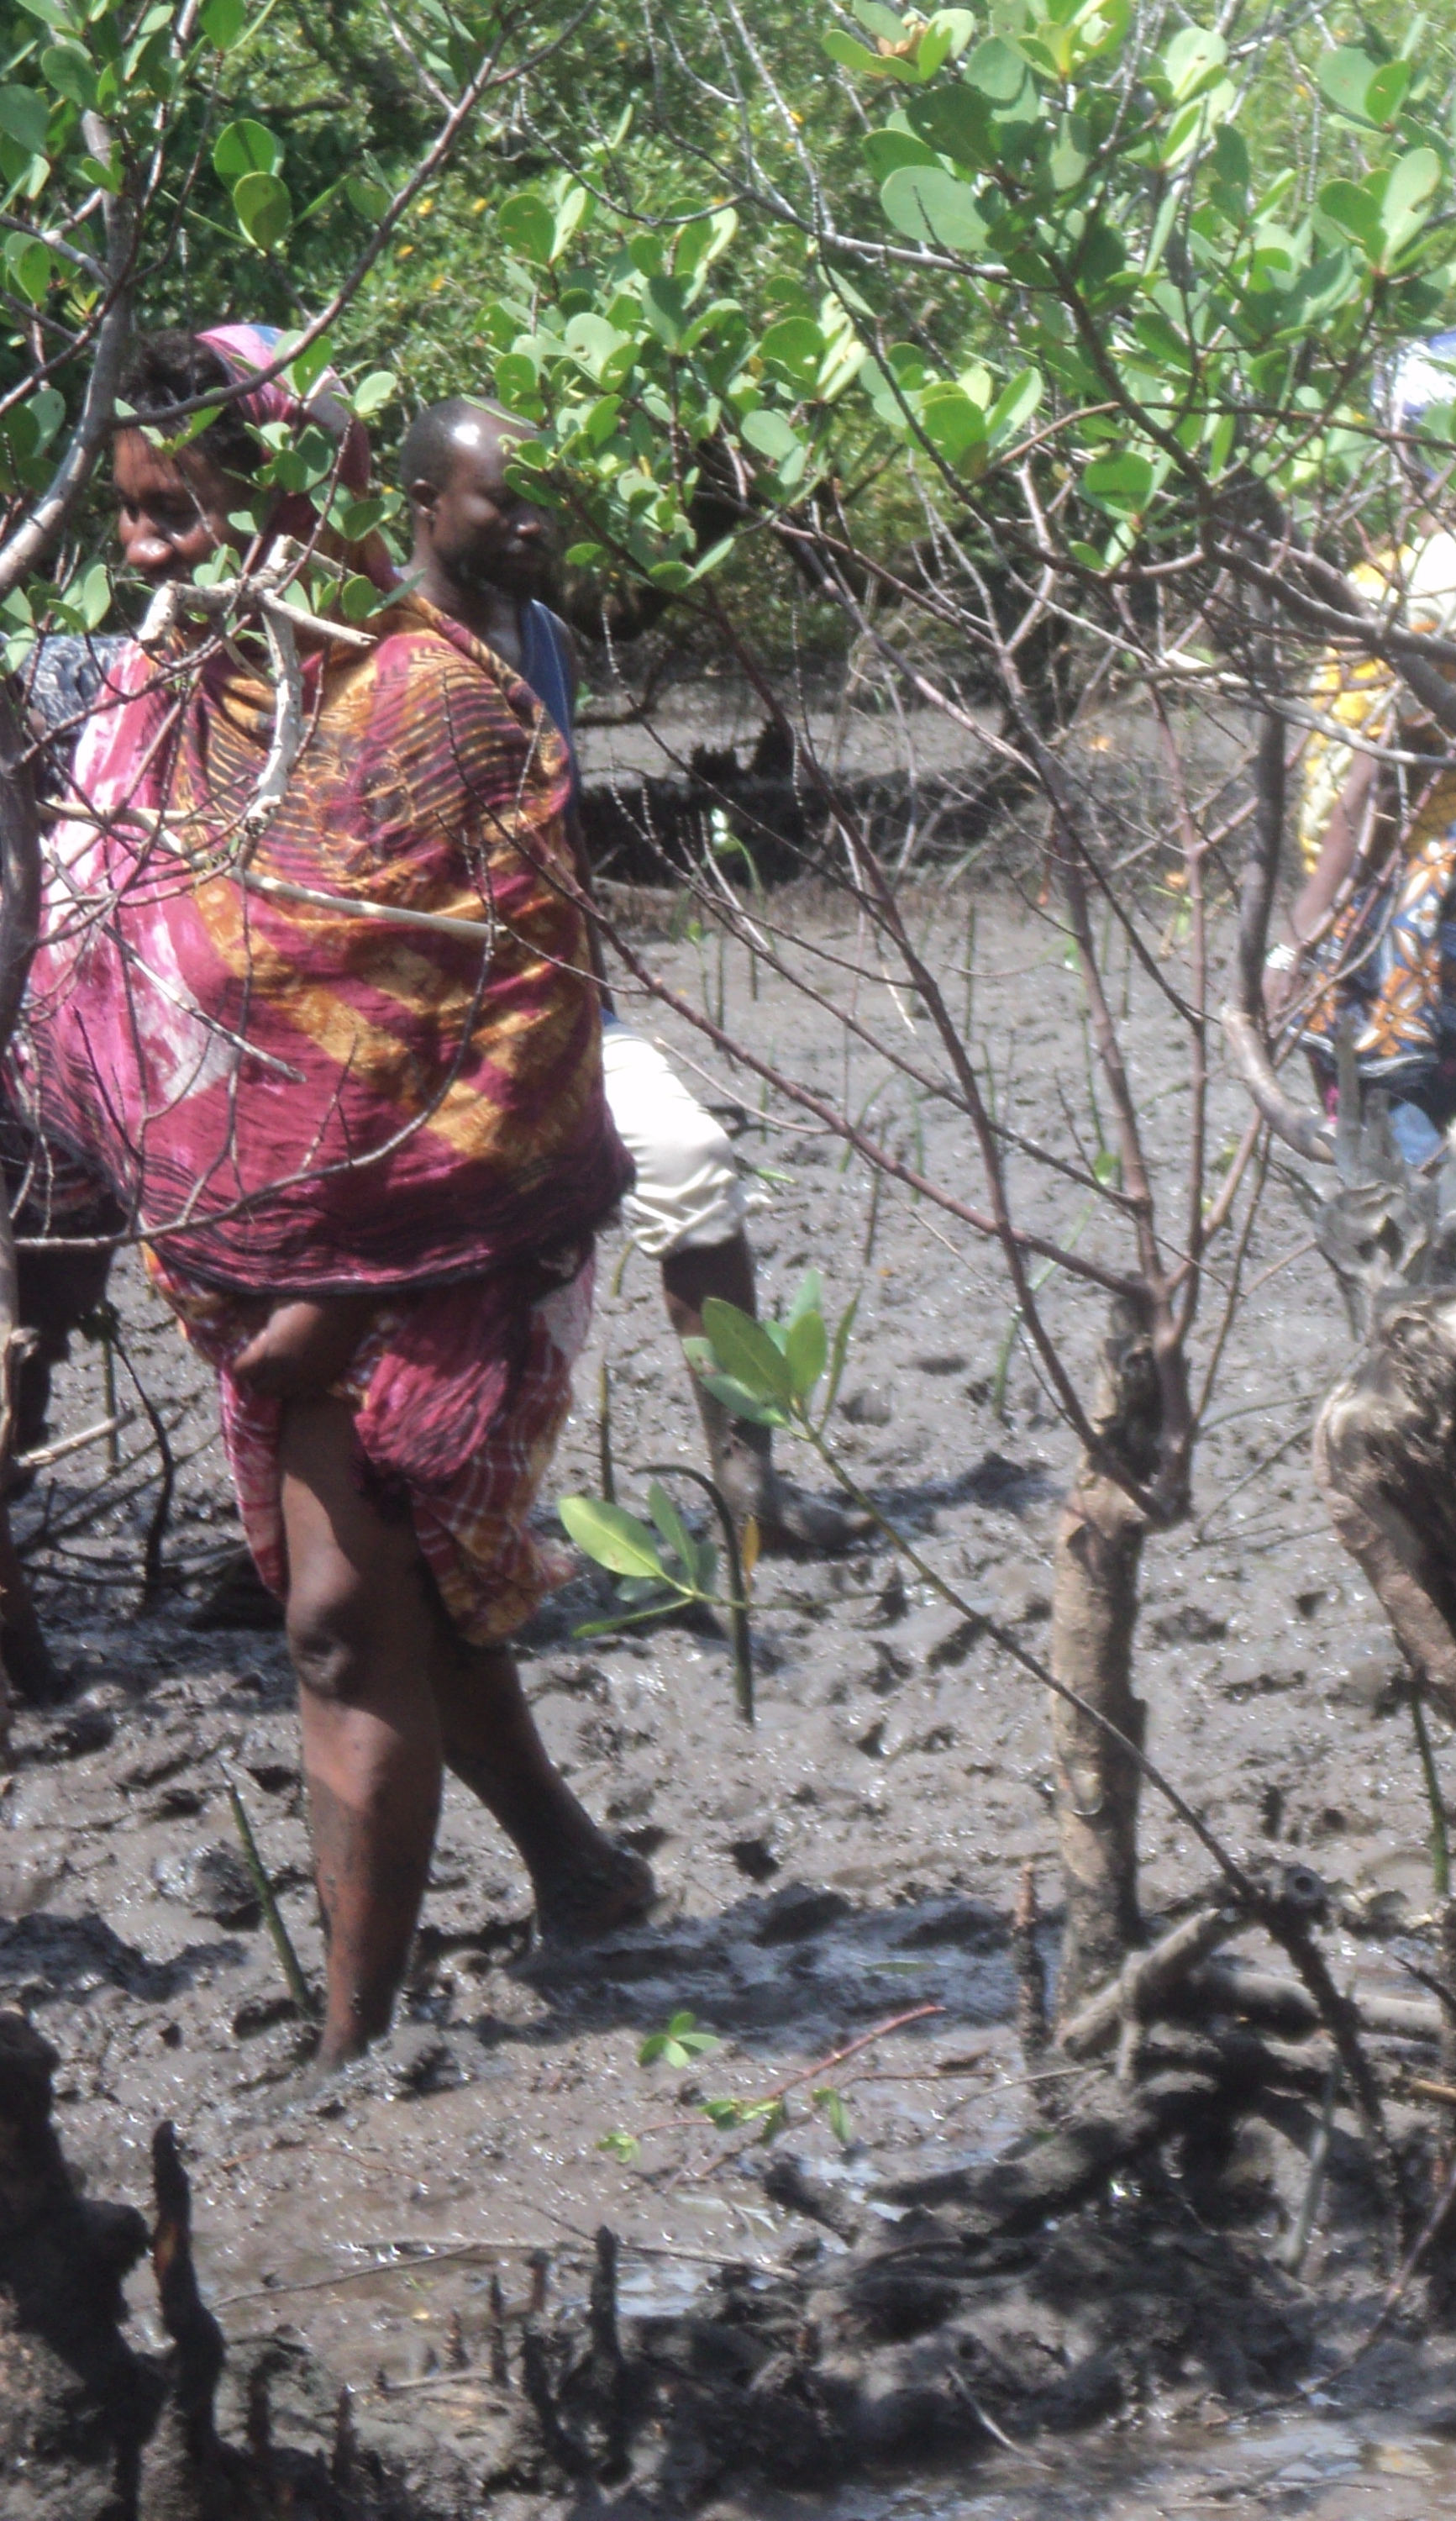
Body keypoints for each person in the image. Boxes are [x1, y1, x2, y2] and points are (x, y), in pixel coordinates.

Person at [29, 330, 650, 2076]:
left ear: (292, 488)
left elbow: (531, 1015)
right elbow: (97, 953)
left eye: (183, 509)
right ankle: (583, 1874)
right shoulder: (163, 711)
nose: (148, 550)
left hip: (442, 1238)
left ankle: (351, 2042)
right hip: (247, 1245)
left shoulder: (433, 704)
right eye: (130, 517)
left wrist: (363, 1279)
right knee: (398, 1602)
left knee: (335, 1615)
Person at [398, 399, 865, 1557]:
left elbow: (558, 842)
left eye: (544, 496)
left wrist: (592, 998)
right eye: (502, 498)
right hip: (411, 1030)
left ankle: (750, 1484)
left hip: (557, 1009)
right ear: (424, 504)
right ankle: (343, 1531)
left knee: (698, 1169)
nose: (533, 521)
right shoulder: (373, 640)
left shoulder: (543, 638)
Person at [1269, 334, 1456, 1161]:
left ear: (1415, 446)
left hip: (1412, 889)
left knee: (1399, 1156)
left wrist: (1304, 932)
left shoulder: (1442, 576)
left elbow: (1382, 776)